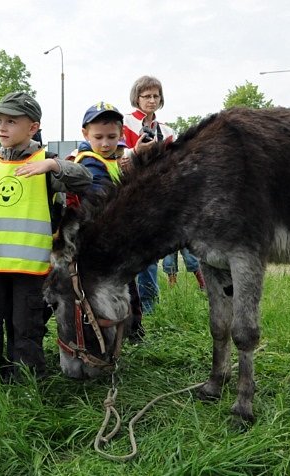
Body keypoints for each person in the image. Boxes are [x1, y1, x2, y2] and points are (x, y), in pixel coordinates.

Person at [0, 92, 92, 393]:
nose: (2, 128)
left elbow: (84, 180)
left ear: (33, 127)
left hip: (31, 268)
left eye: (11, 122)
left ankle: (27, 375)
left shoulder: (43, 162)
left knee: (26, 324)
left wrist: (55, 166)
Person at [121, 76, 178, 338]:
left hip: (157, 196)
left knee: (151, 255)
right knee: (133, 254)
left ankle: (149, 305)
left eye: (156, 96)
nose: (152, 100)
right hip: (130, 194)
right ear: (137, 97)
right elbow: (115, 156)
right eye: (147, 96)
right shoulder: (125, 123)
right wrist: (135, 150)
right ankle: (131, 306)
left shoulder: (166, 131)